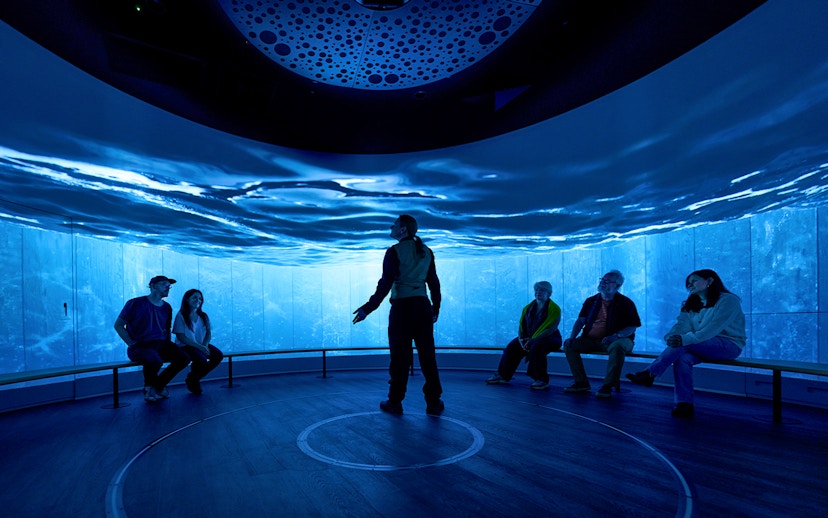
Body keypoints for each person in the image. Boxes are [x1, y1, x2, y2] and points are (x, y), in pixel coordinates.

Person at [352, 214, 444, 416]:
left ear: (403, 230)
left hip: (402, 310)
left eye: (394, 225)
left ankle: (395, 402)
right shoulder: (427, 252)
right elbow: (434, 284)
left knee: (400, 358)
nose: (391, 227)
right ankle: (434, 402)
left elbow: (385, 284)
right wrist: (435, 309)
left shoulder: (393, 252)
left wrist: (367, 308)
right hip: (423, 307)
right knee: (428, 356)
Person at [626, 269, 746, 418]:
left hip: (728, 345)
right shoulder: (691, 303)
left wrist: (682, 340)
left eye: (694, 280)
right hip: (700, 344)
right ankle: (684, 404)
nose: (690, 284)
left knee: (684, 344)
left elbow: (712, 329)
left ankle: (650, 373)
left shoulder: (728, 300)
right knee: (683, 359)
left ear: (709, 281)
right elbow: (681, 326)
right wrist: (671, 337)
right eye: (688, 282)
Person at [563, 270, 641, 398]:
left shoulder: (626, 303)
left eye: (607, 281)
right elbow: (580, 320)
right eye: (602, 280)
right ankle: (581, 382)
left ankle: (608, 385)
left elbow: (632, 326)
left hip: (619, 339)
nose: (602, 283)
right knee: (569, 345)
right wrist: (572, 337)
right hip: (591, 340)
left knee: (617, 347)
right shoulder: (591, 301)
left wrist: (616, 336)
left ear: (617, 285)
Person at [114, 275, 190, 403]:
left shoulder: (167, 307)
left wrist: (169, 346)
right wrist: (131, 343)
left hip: (161, 344)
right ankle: (150, 388)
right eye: (164, 284)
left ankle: (157, 386)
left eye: (169, 285)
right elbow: (118, 325)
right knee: (154, 360)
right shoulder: (135, 303)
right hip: (140, 345)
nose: (168, 287)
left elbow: (166, 329)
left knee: (184, 358)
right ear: (153, 286)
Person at [486, 281, 563, 390]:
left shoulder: (554, 308)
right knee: (512, 346)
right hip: (529, 338)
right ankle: (502, 375)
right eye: (536, 290)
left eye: (542, 290)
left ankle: (541, 379)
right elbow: (521, 325)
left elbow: (549, 328)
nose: (538, 292)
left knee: (537, 346)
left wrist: (532, 340)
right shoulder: (527, 308)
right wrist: (521, 339)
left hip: (550, 337)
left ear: (549, 293)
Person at [172, 289, 224, 395]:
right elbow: (181, 337)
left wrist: (204, 345)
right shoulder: (181, 315)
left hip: (200, 344)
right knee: (201, 359)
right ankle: (193, 381)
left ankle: (193, 377)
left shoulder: (203, 316)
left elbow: (208, 333)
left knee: (218, 356)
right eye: (194, 297)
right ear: (187, 299)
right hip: (186, 345)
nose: (198, 300)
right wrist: (200, 348)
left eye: (200, 298)